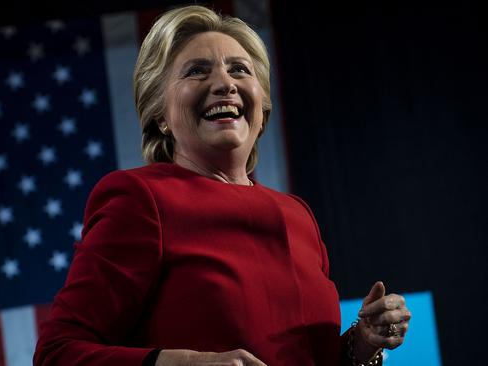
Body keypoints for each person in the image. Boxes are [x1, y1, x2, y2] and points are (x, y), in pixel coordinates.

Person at [34, 5, 410, 366]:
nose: (224, 84)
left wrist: (362, 344)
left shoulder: (299, 216)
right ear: (161, 116)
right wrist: (176, 363)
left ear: (261, 110)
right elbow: (57, 353)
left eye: (239, 70)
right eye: (197, 71)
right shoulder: (141, 199)